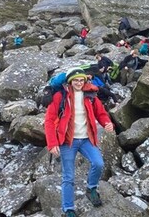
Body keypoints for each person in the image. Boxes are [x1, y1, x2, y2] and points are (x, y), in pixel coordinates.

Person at [44, 67, 114, 217]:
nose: (79, 82)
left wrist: (107, 123)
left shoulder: (90, 95)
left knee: (98, 163)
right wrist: (52, 143)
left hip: (86, 139)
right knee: (68, 177)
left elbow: (101, 113)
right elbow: (49, 121)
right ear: (70, 81)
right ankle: (68, 209)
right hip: (67, 141)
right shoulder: (59, 97)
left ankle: (91, 188)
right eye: (75, 80)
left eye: (81, 80)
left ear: (85, 80)